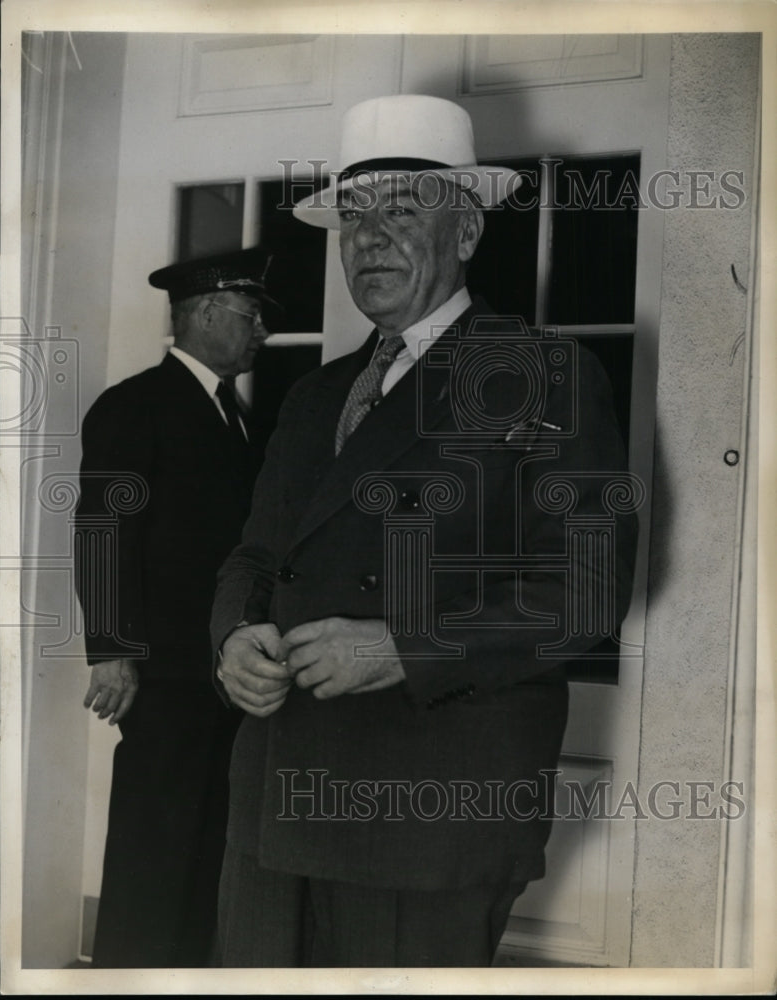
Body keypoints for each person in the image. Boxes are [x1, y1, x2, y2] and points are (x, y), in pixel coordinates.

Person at [210, 95, 639, 968]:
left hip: (429, 808)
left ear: (468, 231)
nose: (369, 240)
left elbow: (585, 595)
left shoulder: (546, 374)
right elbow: (254, 556)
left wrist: (404, 647)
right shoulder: (315, 396)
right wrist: (231, 639)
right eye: (353, 219)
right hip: (279, 786)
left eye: (401, 212)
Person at [74, 246, 279, 967]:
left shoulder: (241, 419)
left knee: (208, 846)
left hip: (224, 674)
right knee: (153, 848)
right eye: (252, 316)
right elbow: (103, 532)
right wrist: (111, 650)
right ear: (205, 313)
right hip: (161, 677)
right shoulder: (134, 406)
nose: (262, 332)